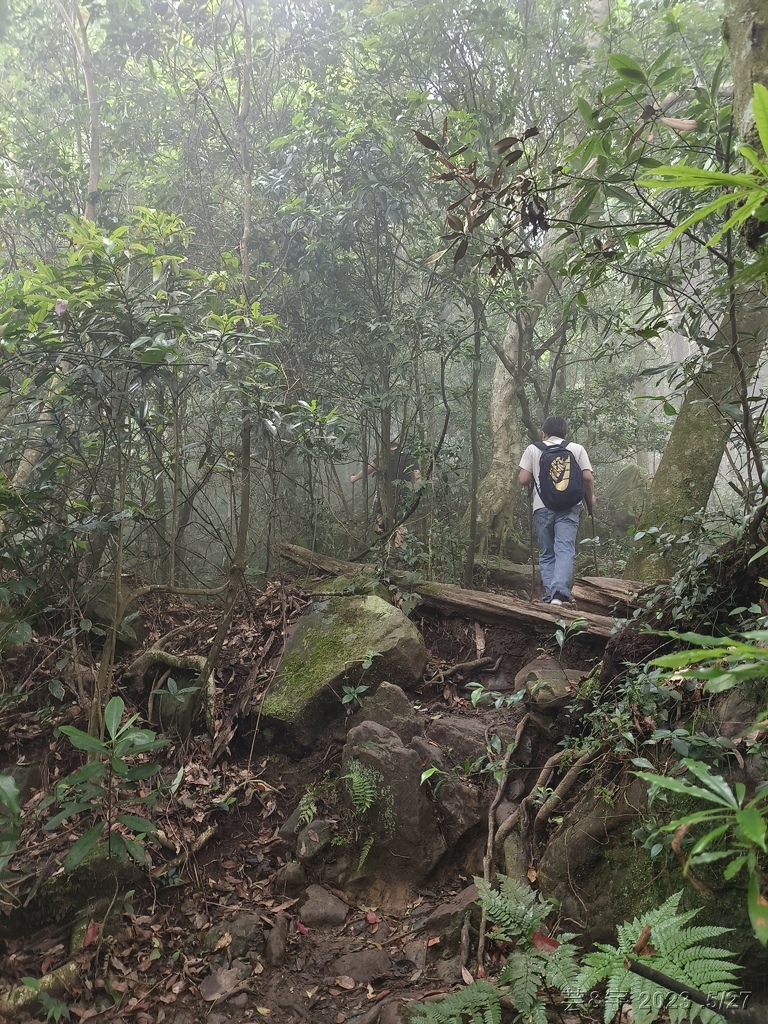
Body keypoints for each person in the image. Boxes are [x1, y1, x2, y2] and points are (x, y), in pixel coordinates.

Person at [518, 415, 595, 606]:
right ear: (565, 432)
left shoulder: (533, 449)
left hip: (542, 507)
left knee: (547, 553)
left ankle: (549, 596)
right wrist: (591, 498)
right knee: (565, 549)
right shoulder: (576, 448)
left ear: (544, 433)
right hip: (569, 507)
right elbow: (587, 477)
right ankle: (560, 595)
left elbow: (523, 479)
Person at [350, 438, 421, 546]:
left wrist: (354, 478)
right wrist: (419, 489)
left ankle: (382, 529)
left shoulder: (383, 458)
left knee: (379, 513)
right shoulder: (409, 458)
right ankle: (396, 548)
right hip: (403, 494)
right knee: (399, 522)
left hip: (385, 493)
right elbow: (417, 475)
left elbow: (368, 469)